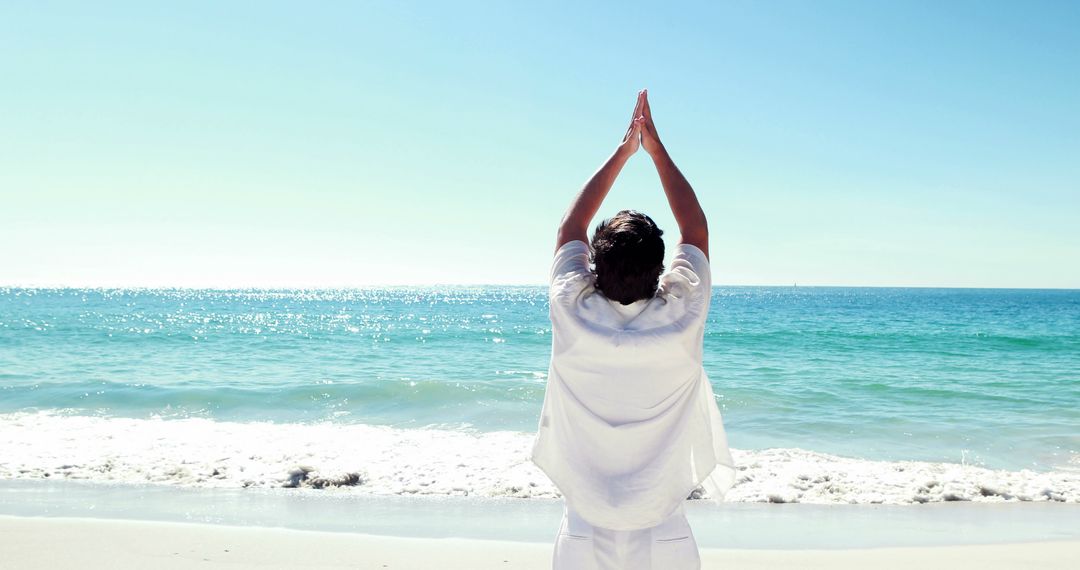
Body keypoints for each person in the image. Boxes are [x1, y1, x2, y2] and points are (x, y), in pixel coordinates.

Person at [530, 90, 736, 570]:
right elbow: (696, 230)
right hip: (662, 526)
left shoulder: (572, 310)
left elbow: (570, 227)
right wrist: (656, 151)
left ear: (594, 268)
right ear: (661, 270)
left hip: (583, 526)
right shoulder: (681, 317)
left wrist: (625, 150)